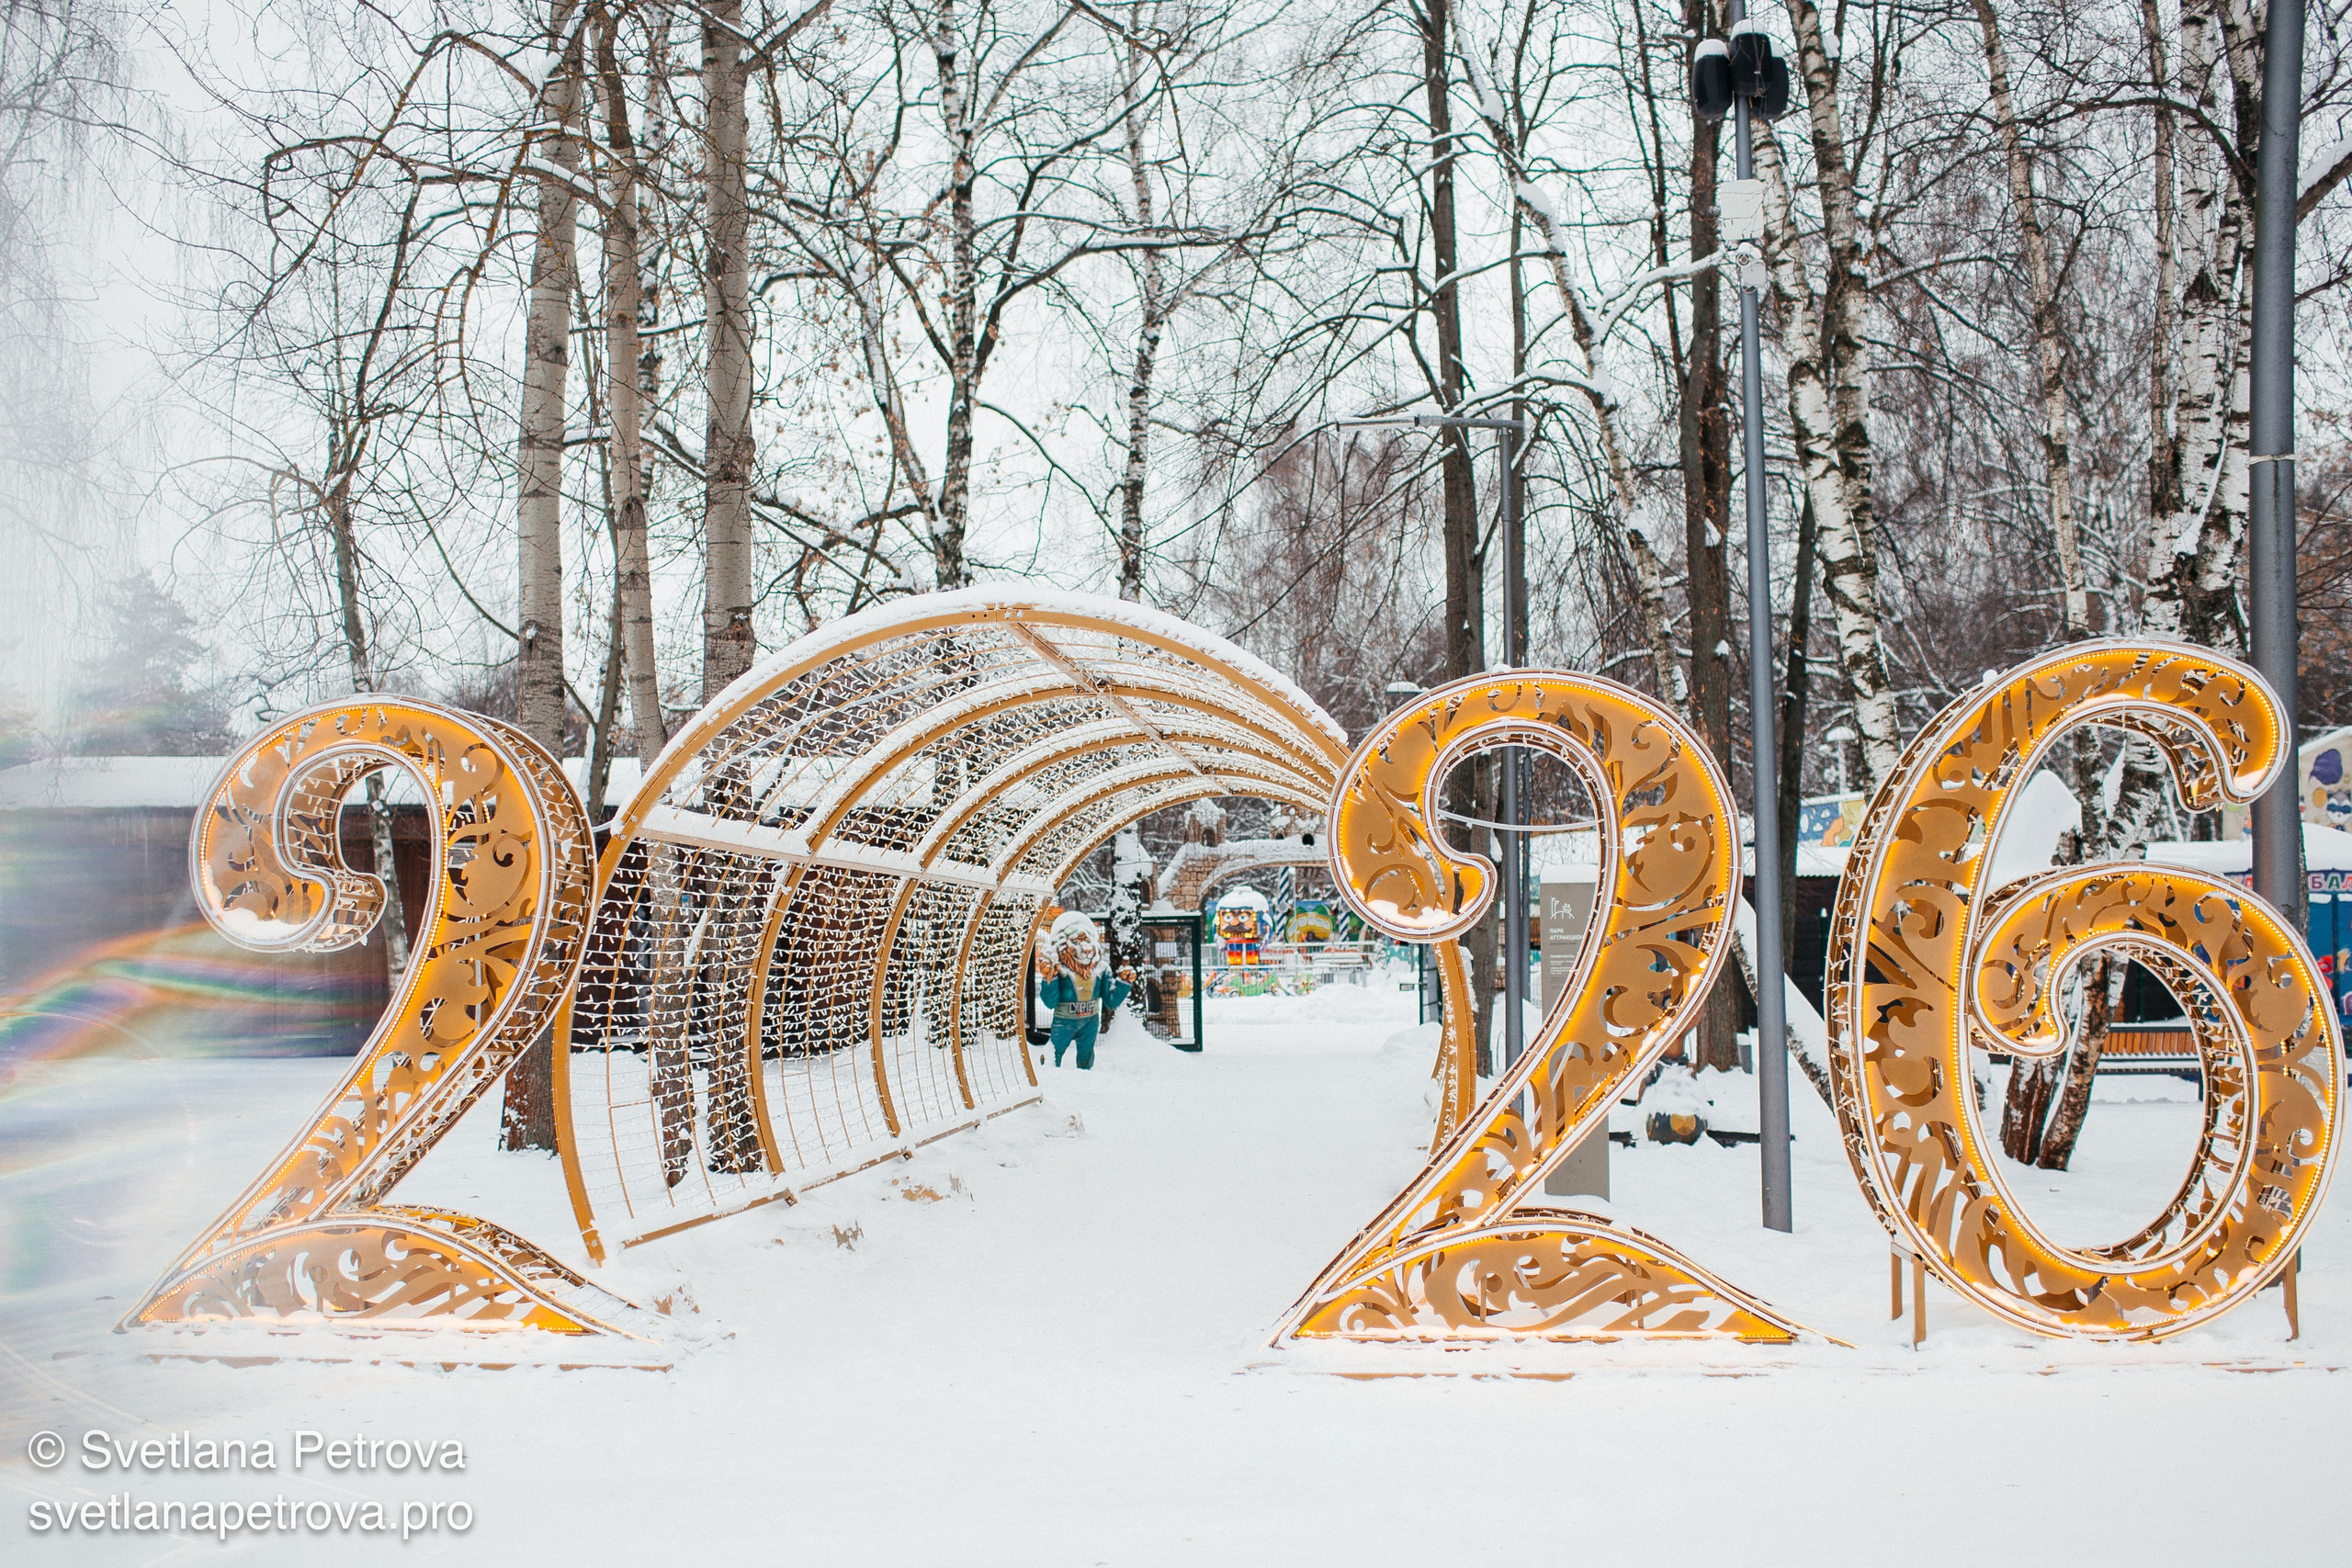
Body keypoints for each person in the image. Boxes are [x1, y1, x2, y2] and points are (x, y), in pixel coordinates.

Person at [1038, 911, 1134, 1070]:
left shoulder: (1101, 969)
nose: (1086, 948)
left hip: (1090, 1021)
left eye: (1087, 941)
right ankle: (1047, 1076)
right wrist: (1050, 979)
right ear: (1063, 945)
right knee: (1054, 1053)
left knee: (1087, 1056)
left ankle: (1086, 1081)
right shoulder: (1060, 970)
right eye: (1077, 942)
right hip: (1064, 1021)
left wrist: (1124, 982)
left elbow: (1111, 1001)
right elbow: (1050, 1002)